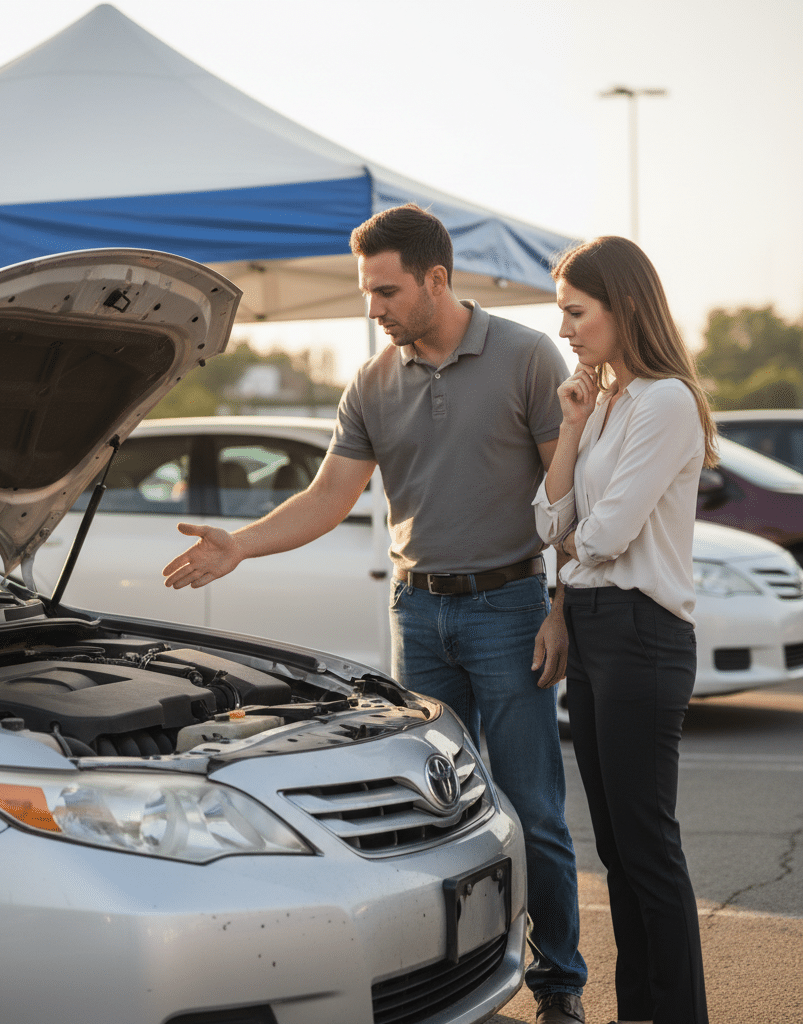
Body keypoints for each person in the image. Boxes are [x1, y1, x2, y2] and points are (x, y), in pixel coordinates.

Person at [163, 203, 588, 1024]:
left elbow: (562, 499)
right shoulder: (371, 382)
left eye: (387, 291)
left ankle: (559, 984)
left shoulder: (527, 357)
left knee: (531, 808)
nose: (373, 308)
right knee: (426, 811)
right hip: (417, 614)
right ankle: (450, 975)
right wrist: (241, 545)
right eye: (367, 291)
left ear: (436, 279)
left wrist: (559, 608)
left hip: (508, 606)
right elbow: (329, 495)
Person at [535, 235, 715, 1024]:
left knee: (647, 846)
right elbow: (550, 520)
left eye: (576, 312)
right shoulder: (605, 403)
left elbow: (602, 536)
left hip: (644, 631)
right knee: (617, 849)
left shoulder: (667, 400)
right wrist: (571, 429)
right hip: (601, 626)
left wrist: (579, 538)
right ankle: (637, 1010)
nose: (565, 329)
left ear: (625, 306)